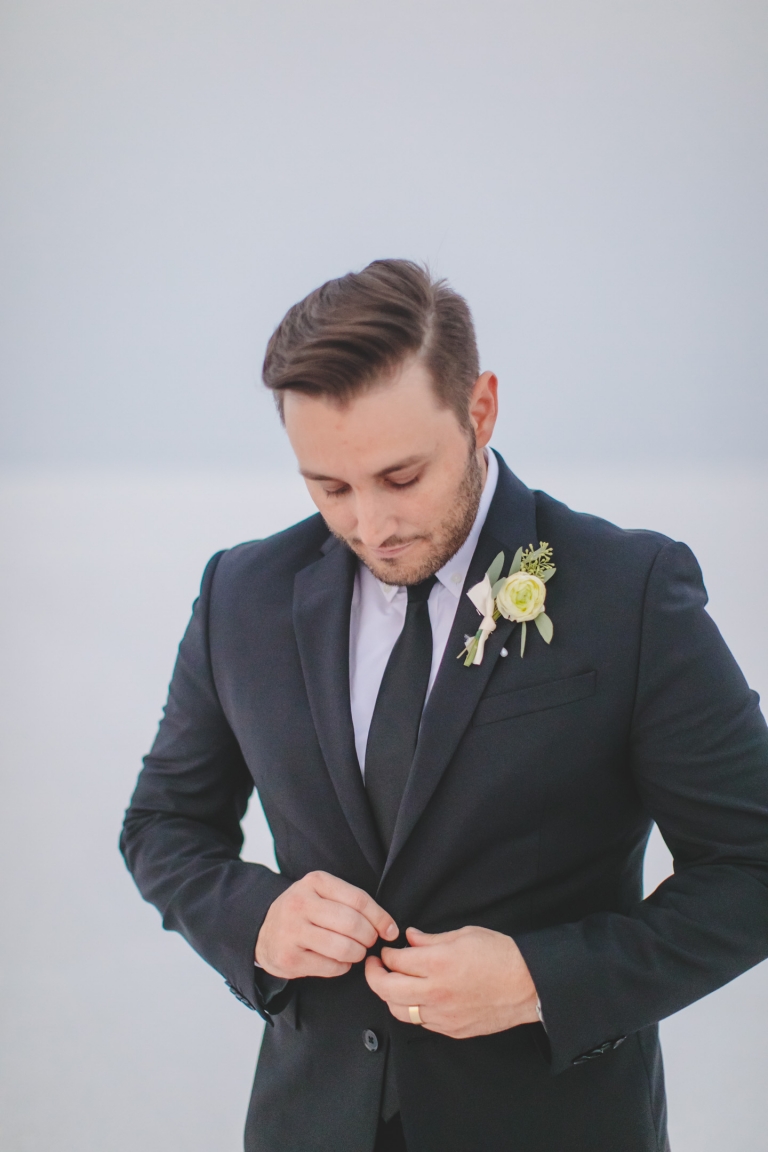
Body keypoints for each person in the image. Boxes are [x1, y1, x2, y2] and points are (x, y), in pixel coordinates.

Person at [121, 259, 768, 1152]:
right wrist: (256, 920)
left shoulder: (632, 590)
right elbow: (162, 824)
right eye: (329, 487)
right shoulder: (242, 593)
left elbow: (751, 864)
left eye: (401, 476)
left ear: (481, 409)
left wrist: (542, 979)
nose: (371, 526)